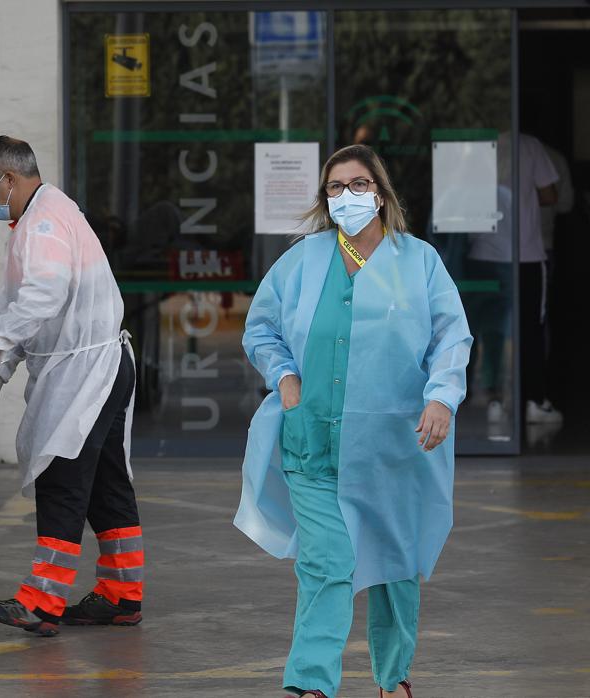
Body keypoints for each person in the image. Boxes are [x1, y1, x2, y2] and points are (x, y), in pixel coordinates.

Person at [235, 145, 472, 698]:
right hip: (312, 441)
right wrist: (285, 380)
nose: (347, 196)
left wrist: (442, 397)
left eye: (359, 184)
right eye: (336, 187)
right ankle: (310, 685)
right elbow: (260, 328)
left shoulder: (418, 261)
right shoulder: (302, 260)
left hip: (394, 447)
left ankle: (394, 678)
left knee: (396, 568)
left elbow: (451, 337)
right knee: (328, 562)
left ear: (381, 194)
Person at [0, 136, 143, 637]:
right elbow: (39, 312)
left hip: (85, 372)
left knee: (61, 479)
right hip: (103, 364)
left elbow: (43, 296)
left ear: (9, 179)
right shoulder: (51, 211)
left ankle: (41, 602)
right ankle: (121, 594)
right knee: (107, 484)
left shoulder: (42, 223)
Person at [466, 132, 562, 426]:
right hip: (525, 255)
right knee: (531, 329)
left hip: (484, 254)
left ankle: (493, 399)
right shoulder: (529, 145)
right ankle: (534, 400)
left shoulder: (475, 146)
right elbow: (550, 195)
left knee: (488, 329)